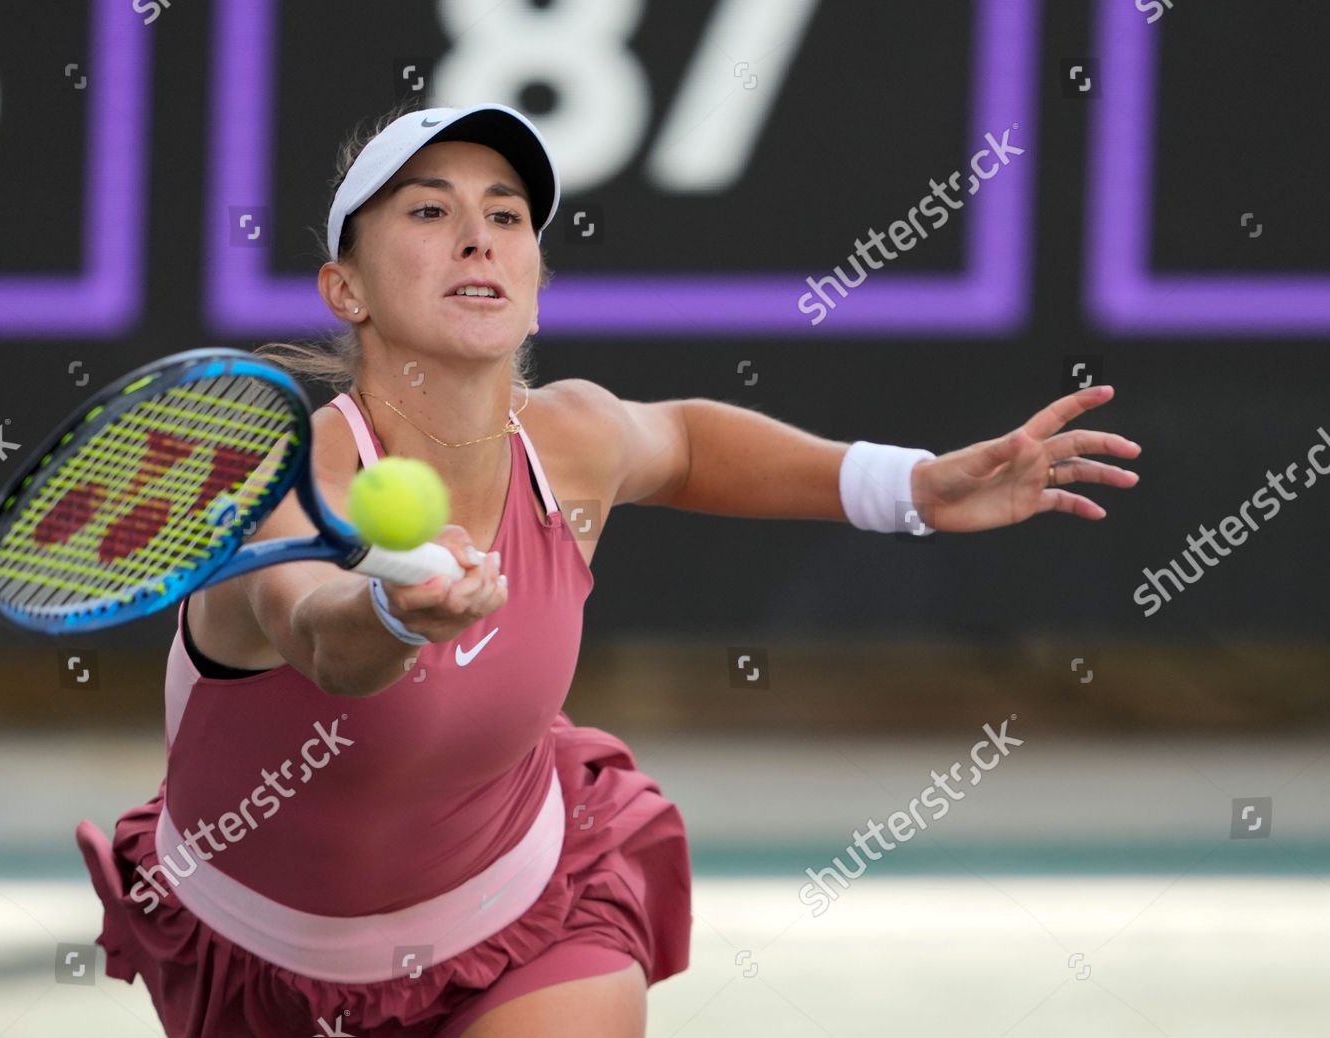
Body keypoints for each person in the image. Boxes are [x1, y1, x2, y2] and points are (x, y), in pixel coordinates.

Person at [76, 101, 1141, 1038]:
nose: (478, 239)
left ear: (536, 292)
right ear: (343, 288)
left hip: (531, 904)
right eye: (429, 211)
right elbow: (316, 633)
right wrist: (396, 615)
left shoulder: (571, 442)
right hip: (269, 971)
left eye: (505, 217)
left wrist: (911, 489)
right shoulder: (290, 488)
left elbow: (683, 442)